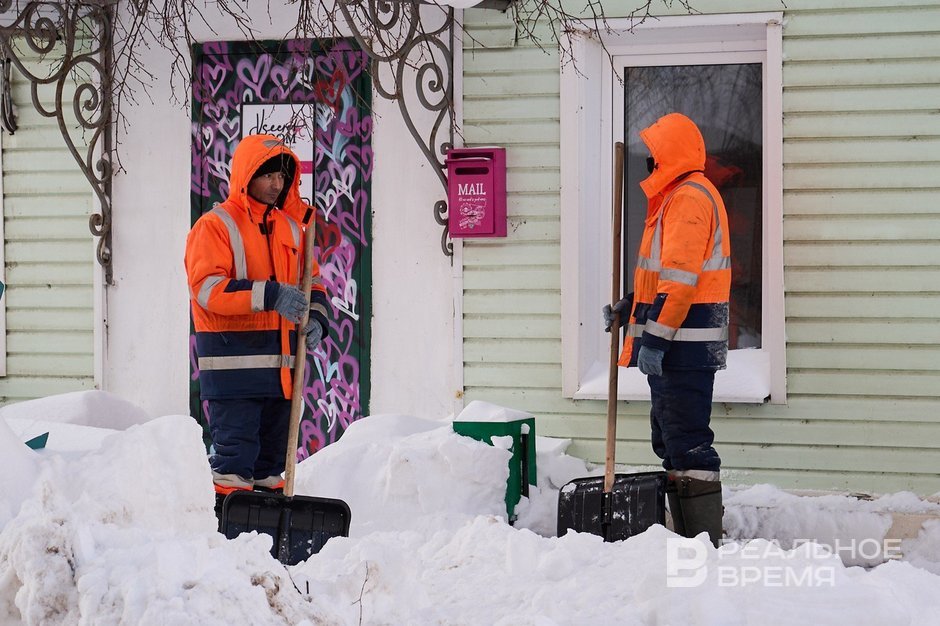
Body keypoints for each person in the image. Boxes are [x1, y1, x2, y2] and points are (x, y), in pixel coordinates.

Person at [604, 112, 731, 547]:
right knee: (671, 441)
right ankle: (688, 538)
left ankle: (702, 544)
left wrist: (654, 340)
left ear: (670, 155)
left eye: (655, 156)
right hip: (678, 346)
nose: (650, 164)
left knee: (688, 442)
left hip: (685, 347)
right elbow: (662, 278)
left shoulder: (689, 199)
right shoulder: (675, 199)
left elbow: (680, 284)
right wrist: (631, 306)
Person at [185, 134, 330, 495]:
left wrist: (316, 318)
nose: (276, 185)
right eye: (268, 176)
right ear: (247, 175)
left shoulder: (294, 230)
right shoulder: (216, 226)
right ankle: (228, 540)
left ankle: (265, 546)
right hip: (235, 376)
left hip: (283, 377)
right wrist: (270, 295)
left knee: (270, 471)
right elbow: (207, 289)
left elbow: (313, 282)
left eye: (282, 178)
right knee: (234, 469)